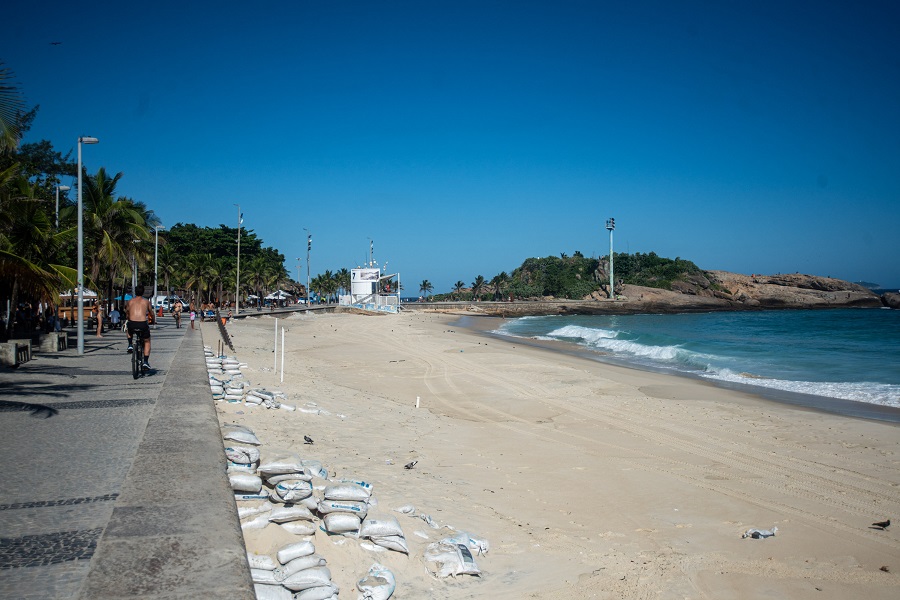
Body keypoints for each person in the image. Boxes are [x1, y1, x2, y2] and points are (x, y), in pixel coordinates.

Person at [125, 284, 155, 370]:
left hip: (132, 323)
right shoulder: (146, 301)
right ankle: (145, 362)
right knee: (147, 341)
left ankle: (130, 344)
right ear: (143, 292)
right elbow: (151, 312)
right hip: (142, 323)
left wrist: (128, 317)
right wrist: (153, 320)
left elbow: (127, 311)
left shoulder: (130, 301)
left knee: (128, 329)